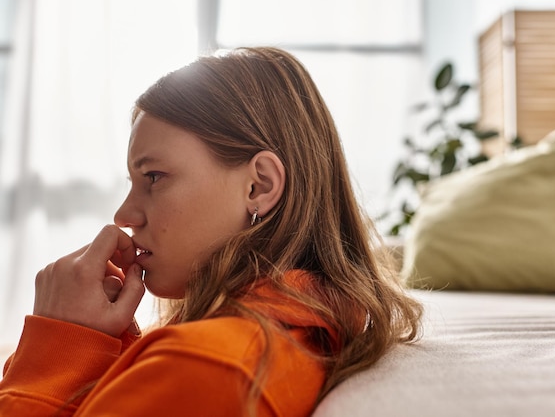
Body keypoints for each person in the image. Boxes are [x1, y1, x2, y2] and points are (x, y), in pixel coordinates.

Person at [0, 47, 422, 416]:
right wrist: (108, 347)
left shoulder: (201, 366)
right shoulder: (305, 322)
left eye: (154, 177)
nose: (125, 214)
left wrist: (55, 342)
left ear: (260, 186)